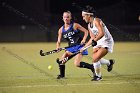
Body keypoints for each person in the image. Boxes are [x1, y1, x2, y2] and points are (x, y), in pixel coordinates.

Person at [56, 11, 94, 79]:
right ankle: (62, 75)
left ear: (70, 18)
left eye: (68, 17)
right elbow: (58, 41)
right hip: (71, 48)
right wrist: (58, 47)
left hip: (80, 46)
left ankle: (92, 67)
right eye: (64, 17)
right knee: (62, 61)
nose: (66, 18)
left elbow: (86, 31)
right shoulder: (61, 30)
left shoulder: (75, 25)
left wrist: (84, 40)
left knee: (77, 64)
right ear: (62, 18)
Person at [81, 6, 115, 81]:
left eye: (84, 16)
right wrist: (84, 47)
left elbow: (101, 33)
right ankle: (109, 63)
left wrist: (95, 40)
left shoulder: (96, 20)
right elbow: (92, 37)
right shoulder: (89, 25)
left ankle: (98, 77)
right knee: (95, 58)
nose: (83, 18)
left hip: (106, 41)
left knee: (95, 59)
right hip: (98, 41)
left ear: (88, 15)